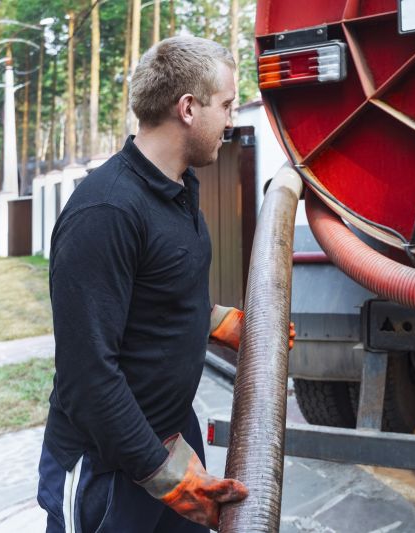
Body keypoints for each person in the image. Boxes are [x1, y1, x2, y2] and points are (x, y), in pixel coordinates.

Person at [36, 35, 258, 532]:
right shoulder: (107, 210)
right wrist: (160, 473)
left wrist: (215, 320)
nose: (230, 119)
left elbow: (157, 296)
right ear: (187, 108)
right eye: (225, 105)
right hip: (110, 466)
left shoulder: (178, 190)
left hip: (173, 438)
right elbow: (87, 373)